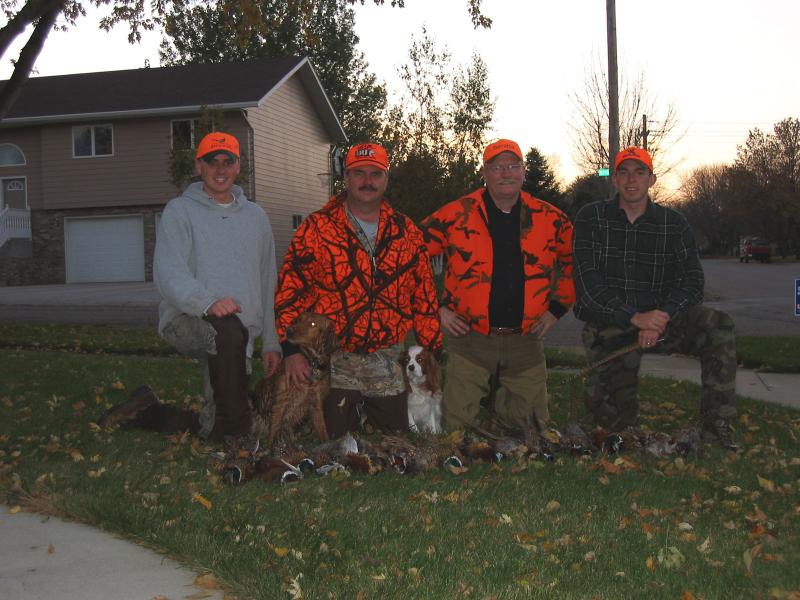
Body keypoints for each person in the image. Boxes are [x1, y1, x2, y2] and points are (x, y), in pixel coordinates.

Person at [99, 132, 281, 442]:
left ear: (238, 166)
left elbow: (268, 280)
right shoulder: (180, 211)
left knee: (214, 423)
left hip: (238, 337)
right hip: (187, 320)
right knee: (233, 410)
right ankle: (239, 442)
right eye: (212, 162)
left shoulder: (257, 217)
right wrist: (208, 303)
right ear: (199, 166)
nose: (220, 170)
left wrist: (272, 341)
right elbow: (169, 273)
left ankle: (147, 410)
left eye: (228, 162)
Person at [572, 146, 737, 448]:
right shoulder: (591, 218)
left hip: (664, 321)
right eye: (623, 172)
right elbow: (588, 285)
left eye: (640, 172)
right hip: (612, 324)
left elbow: (693, 280)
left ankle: (718, 426)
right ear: (614, 179)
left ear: (652, 179)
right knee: (617, 430)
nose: (631, 180)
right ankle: (616, 412)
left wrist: (661, 317)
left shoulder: (673, 223)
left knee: (719, 324)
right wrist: (635, 318)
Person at [274, 142, 443, 437]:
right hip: (335, 359)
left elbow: (424, 295)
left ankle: (378, 411)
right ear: (347, 178)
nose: (367, 181)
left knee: (396, 436)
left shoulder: (406, 232)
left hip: (386, 356)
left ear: (386, 179)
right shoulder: (317, 228)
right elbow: (291, 290)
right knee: (337, 438)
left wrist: (433, 349)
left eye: (375, 174)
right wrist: (290, 350)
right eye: (359, 173)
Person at [419, 139, 575, 432]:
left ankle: (501, 409)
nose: (506, 173)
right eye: (497, 167)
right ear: (484, 173)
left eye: (513, 166)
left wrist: (556, 309)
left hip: (526, 340)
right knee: (456, 429)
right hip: (470, 338)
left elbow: (575, 263)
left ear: (524, 171)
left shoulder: (551, 219)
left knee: (533, 429)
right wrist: (436, 308)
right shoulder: (455, 214)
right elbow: (408, 257)